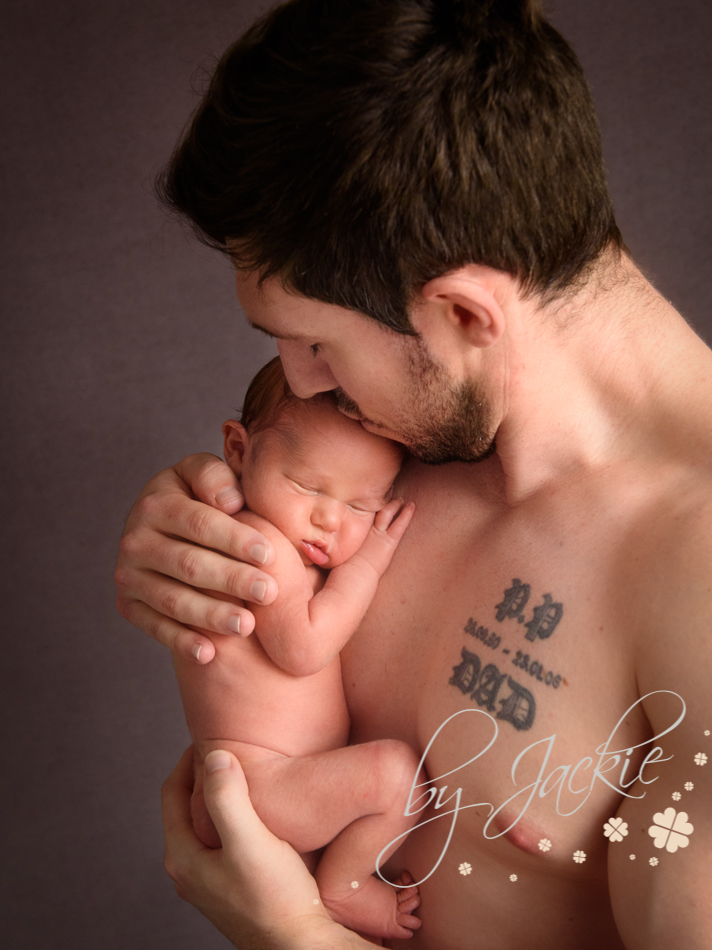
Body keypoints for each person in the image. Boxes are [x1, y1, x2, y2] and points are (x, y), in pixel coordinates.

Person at [115, 0, 712, 947]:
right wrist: (193, 538)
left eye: (315, 343)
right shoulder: (398, 451)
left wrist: (300, 940)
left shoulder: (696, 583)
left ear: (466, 318)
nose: (302, 384)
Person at [175, 355, 421, 939]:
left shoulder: (281, 542)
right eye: (307, 485)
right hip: (258, 788)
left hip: (264, 784)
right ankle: (345, 887)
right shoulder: (259, 543)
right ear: (238, 450)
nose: (328, 520)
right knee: (396, 777)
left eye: (361, 506)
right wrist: (369, 562)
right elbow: (304, 648)